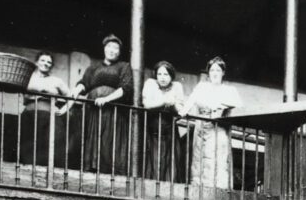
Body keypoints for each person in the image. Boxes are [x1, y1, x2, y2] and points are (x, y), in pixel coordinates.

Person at [71, 34, 133, 174]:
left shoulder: (124, 66)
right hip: (93, 110)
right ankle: (91, 169)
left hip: (113, 111)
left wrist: (107, 99)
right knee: (92, 137)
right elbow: (84, 83)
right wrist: (77, 90)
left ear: (119, 51)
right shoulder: (94, 67)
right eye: (109, 47)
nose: (112, 50)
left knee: (109, 140)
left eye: (115, 48)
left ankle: (108, 171)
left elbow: (126, 88)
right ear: (104, 49)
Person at [180, 56, 240, 194]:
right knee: (199, 159)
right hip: (202, 125)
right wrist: (182, 111)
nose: (214, 73)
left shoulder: (229, 90)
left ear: (223, 73)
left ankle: (219, 192)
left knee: (218, 158)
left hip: (219, 126)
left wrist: (222, 106)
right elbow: (190, 101)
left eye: (218, 70)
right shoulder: (202, 87)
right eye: (212, 70)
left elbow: (239, 105)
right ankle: (200, 193)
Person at [22, 51, 70, 166]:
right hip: (29, 114)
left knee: (46, 146)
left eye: (49, 62)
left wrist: (64, 109)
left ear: (51, 66)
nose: (46, 63)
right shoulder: (27, 77)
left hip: (48, 117)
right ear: (36, 62)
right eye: (43, 60)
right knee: (27, 144)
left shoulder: (56, 81)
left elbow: (71, 96)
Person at [142, 60, 186, 182]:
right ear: (155, 75)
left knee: (170, 162)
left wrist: (173, 105)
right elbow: (146, 104)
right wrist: (164, 102)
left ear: (171, 76)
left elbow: (181, 110)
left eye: (166, 74)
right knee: (153, 161)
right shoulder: (150, 84)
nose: (162, 78)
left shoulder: (177, 86)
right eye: (160, 74)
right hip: (152, 130)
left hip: (170, 131)